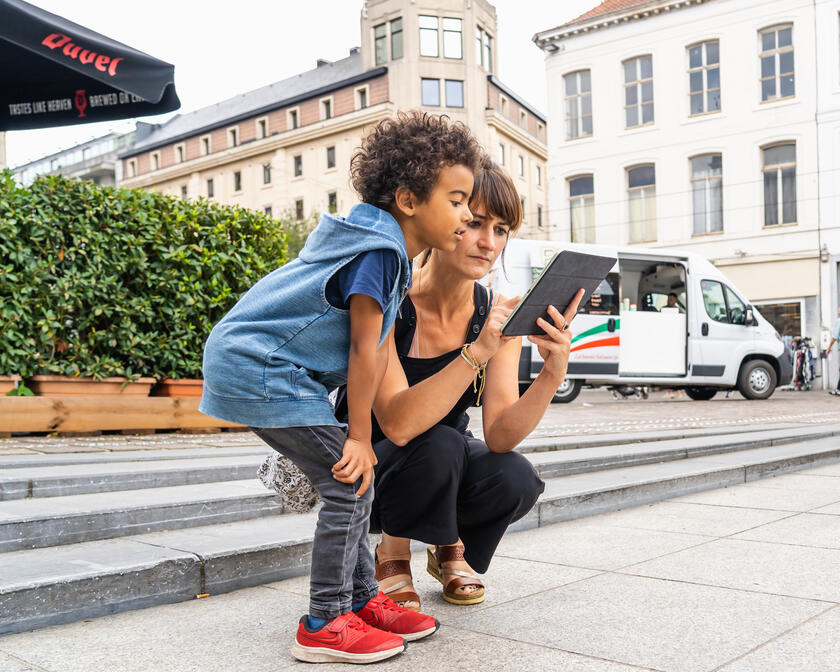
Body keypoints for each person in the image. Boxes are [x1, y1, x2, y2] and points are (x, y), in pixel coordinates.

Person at [199, 112, 483, 664]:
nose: (467, 213)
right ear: (407, 198)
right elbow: (363, 348)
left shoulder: (383, 247)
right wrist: (357, 437)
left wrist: (354, 437)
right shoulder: (378, 251)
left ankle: (361, 601)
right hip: (261, 369)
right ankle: (325, 623)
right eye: (455, 199)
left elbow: (375, 349)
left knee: (352, 486)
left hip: (269, 369)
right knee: (350, 484)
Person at [338, 160, 583, 610]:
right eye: (474, 224)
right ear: (443, 219)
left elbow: (501, 435)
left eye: (502, 229)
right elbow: (397, 423)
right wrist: (478, 351)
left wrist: (553, 371)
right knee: (441, 444)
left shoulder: (493, 314)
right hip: (369, 466)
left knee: (515, 476)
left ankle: (446, 547)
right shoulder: (390, 297)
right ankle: (391, 552)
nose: (488, 242)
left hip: (440, 467)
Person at [826, 306, 840, 395]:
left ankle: (838, 389)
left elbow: (834, 337)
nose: (838, 310)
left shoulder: (839, 321)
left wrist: (828, 348)